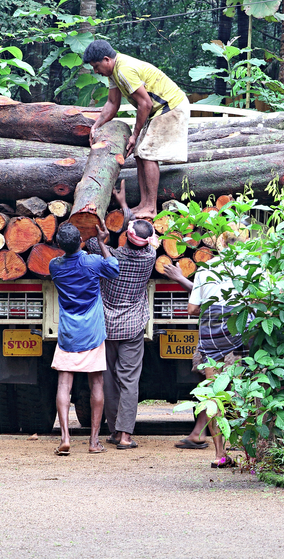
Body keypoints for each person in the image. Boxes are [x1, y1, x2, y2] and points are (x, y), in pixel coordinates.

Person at [163, 232, 249, 468]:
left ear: (220, 244)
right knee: (239, 394)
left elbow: (192, 309)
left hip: (211, 341)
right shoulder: (250, 269)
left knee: (214, 396)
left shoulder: (205, 269)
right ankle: (246, 454)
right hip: (238, 338)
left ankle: (220, 455)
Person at [85, 180, 157, 450]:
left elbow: (92, 242)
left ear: (126, 236)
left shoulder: (111, 257)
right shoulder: (149, 257)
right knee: (129, 380)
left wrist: (104, 234)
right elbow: (142, 236)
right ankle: (125, 434)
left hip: (106, 326)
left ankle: (115, 431)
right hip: (132, 327)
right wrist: (125, 205)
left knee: (108, 380)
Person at [83, 40, 190, 219]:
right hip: (157, 109)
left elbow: (145, 103)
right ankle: (143, 204)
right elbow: (112, 103)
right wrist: (96, 125)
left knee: (147, 153)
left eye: (96, 66)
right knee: (139, 154)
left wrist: (135, 134)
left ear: (107, 59)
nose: (95, 71)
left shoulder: (124, 70)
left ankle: (151, 208)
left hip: (171, 106)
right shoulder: (113, 73)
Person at [47, 222, 120, 456]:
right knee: (96, 384)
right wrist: (101, 243)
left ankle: (65, 438)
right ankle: (93, 441)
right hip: (92, 331)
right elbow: (114, 268)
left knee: (64, 385)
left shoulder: (54, 265)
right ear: (81, 241)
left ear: (59, 245)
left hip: (68, 332)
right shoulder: (92, 262)